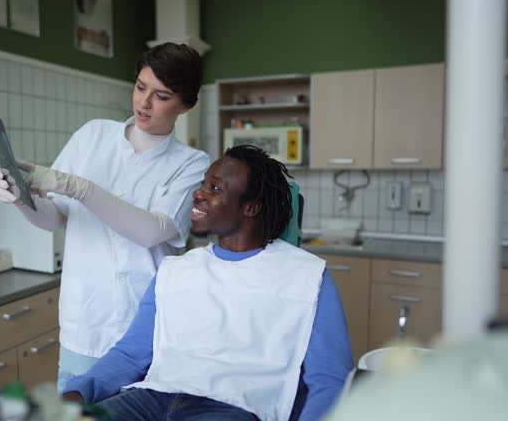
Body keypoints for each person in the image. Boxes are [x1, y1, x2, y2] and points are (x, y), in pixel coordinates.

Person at [61, 145, 354, 421]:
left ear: (250, 208)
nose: (198, 194)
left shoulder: (307, 278)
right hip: (152, 398)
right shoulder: (174, 271)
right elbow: (130, 354)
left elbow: (329, 379)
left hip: (233, 406)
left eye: (214, 188)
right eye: (203, 184)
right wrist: (77, 391)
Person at [0, 43, 210, 390]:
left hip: (146, 331)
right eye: (140, 87)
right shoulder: (93, 135)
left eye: (162, 95)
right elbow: (55, 218)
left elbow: (153, 231)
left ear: (185, 104)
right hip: (85, 323)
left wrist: (77, 186)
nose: (144, 103)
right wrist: (21, 198)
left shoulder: (192, 163)